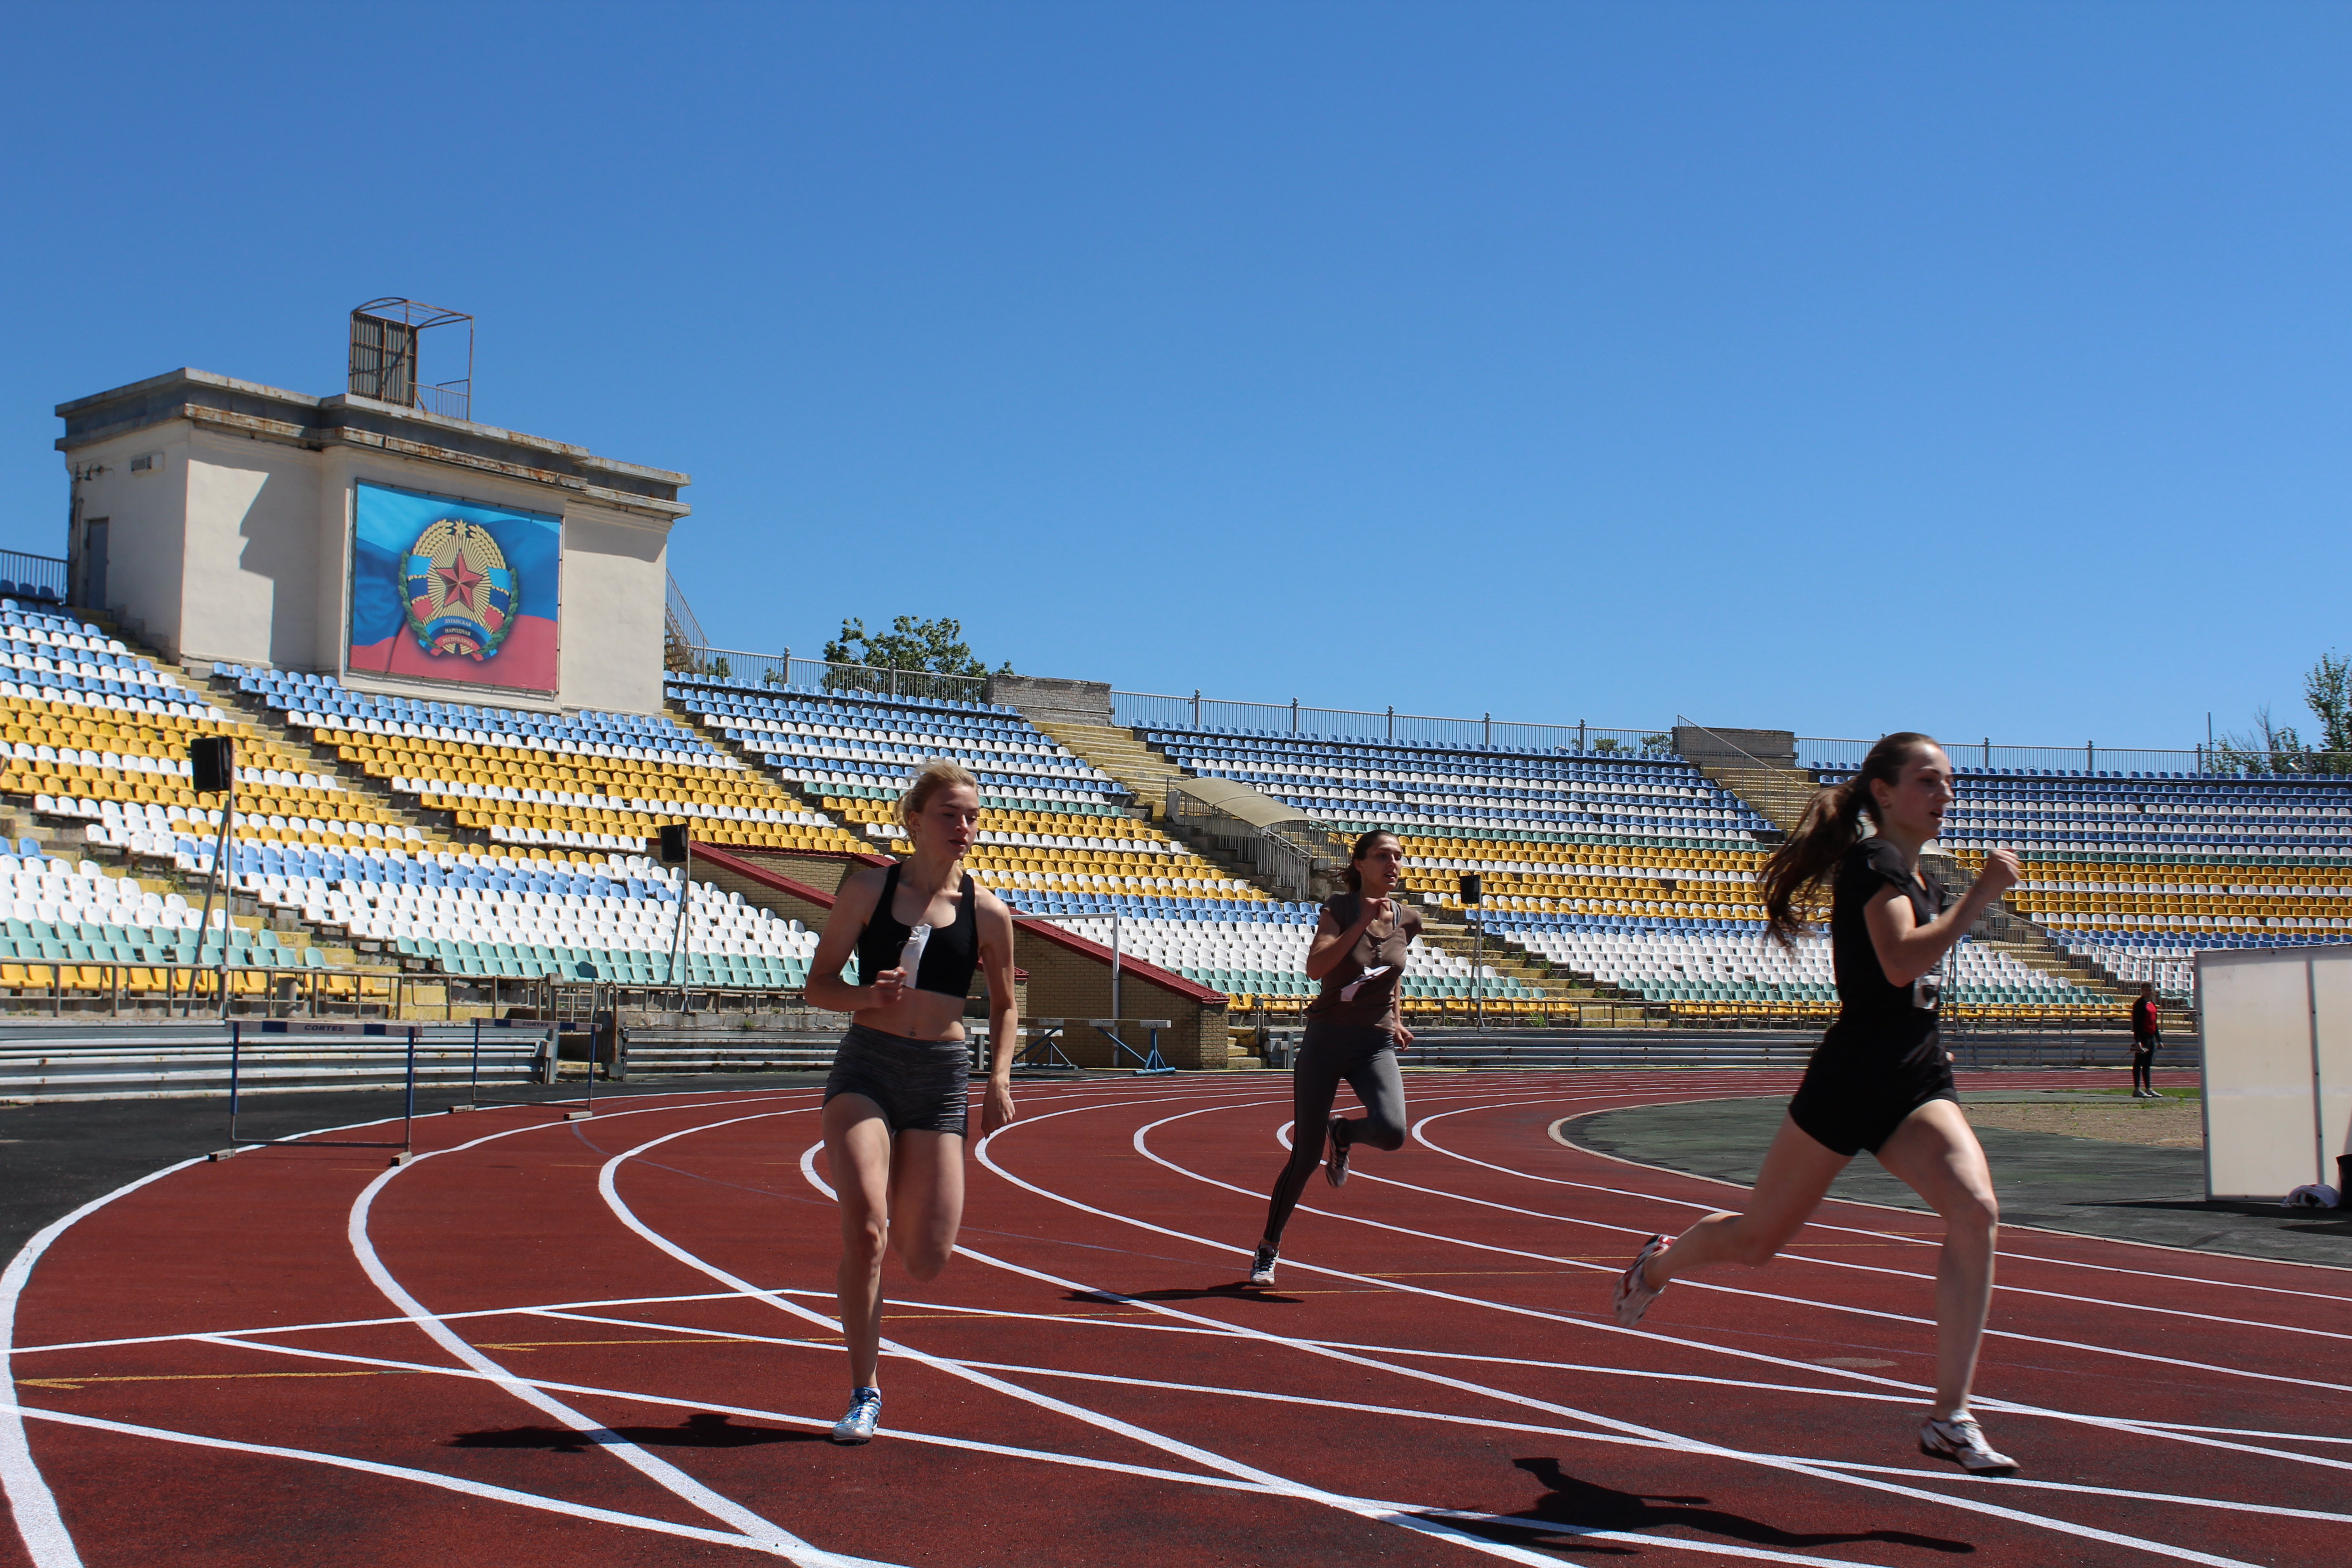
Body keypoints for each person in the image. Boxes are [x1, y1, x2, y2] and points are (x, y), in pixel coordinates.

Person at [1607, 734, 2026, 1477]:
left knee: (1975, 1211)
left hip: (1913, 1080)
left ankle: (1949, 1415)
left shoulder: (1917, 873)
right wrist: (1980, 896)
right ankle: (1658, 1267)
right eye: (1927, 782)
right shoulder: (1873, 864)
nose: (1944, 795)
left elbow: (1905, 983)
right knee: (1756, 1241)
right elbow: (1898, 962)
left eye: (1948, 783)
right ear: (1882, 792)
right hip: (1849, 1082)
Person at [803, 759, 1018, 1444]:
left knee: (927, 1259)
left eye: (972, 816)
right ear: (916, 820)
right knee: (867, 1229)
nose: (964, 826)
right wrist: (870, 996)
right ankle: (864, 1390)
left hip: (941, 1074)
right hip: (868, 1067)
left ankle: (899, 1201)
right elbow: (818, 986)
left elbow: (1009, 1006)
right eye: (951, 814)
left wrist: (999, 1077)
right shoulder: (870, 889)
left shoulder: (987, 911)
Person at [1247, 829, 1420, 1288]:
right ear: (1360, 864)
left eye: (1399, 857)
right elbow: (1317, 968)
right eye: (1384, 856)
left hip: (1374, 1043)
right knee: (1304, 1157)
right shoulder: (1339, 910)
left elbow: (1391, 970)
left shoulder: (1409, 918)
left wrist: (1396, 1016)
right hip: (1327, 1040)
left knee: (1392, 1132)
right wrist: (1361, 922)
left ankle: (1342, 1132)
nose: (1394, 864)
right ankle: (1268, 1247)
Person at [2129, 982, 2162, 1098]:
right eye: (2147, 990)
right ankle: (2137, 1089)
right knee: (2139, 1062)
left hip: (2151, 1036)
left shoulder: (2152, 1004)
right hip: (2143, 1036)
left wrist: (2159, 1039)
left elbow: (2154, 1022)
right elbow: (2137, 1024)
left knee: (2148, 1064)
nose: (2150, 992)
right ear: (2142, 991)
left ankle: (2148, 1088)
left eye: (2151, 990)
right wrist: (2137, 1040)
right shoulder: (2139, 1004)